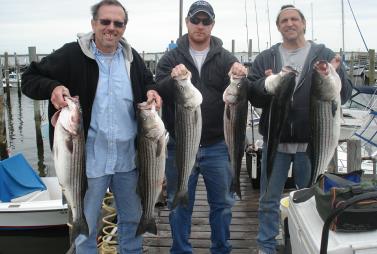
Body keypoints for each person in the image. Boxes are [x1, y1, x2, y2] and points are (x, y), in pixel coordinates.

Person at [21, 0, 161, 253]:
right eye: (105, 21)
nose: (111, 28)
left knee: (132, 222)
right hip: (86, 163)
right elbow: (29, 79)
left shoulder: (132, 58)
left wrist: (152, 90)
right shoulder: (70, 54)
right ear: (93, 24)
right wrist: (52, 88)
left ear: (124, 27)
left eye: (118, 23)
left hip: (128, 162)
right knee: (84, 228)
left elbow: (148, 81)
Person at [247, 5, 353, 254]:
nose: (290, 23)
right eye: (284, 20)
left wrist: (338, 74)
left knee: (310, 201)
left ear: (303, 24)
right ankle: (266, 246)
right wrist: (267, 84)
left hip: (312, 143)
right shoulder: (266, 57)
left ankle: (305, 245)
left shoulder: (323, 54)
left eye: (294, 19)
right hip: (276, 142)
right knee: (268, 200)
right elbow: (253, 94)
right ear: (278, 26)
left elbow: (344, 95)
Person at [154, 1, 248, 253]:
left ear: (212, 25)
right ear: (187, 22)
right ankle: (181, 250)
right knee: (179, 204)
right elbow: (158, 87)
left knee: (223, 204)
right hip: (180, 144)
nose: (200, 26)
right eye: (196, 20)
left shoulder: (225, 57)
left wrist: (240, 73)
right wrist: (172, 78)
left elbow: (239, 91)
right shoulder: (171, 57)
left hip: (218, 145)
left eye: (206, 21)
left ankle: (221, 248)